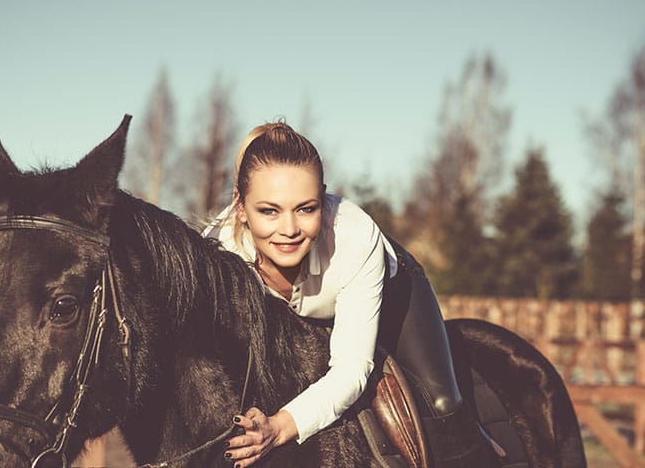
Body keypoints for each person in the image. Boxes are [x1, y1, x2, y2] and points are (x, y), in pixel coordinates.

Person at [203, 121, 488, 468]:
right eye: (269, 211)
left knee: (442, 402)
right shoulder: (216, 251)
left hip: (393, 292)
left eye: (306, 208)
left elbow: (352, 369)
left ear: (323, 199)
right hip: (297, 318)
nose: (289, 230)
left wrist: (277, 429)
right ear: (240, 206)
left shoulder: (355, 236)